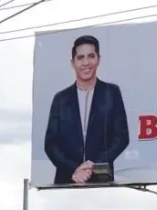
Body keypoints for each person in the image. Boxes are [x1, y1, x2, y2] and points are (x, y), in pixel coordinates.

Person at [44, 34, 130, 185]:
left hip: (102, 181)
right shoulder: (60, 99)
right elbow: (50, 144)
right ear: (73, 63)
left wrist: (93, 166)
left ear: (98, 59)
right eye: (80, 57)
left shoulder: (111, 93)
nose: (86, 63)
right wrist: (74, 169)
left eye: (91, 56)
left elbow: (121, 137)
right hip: (66, 181)